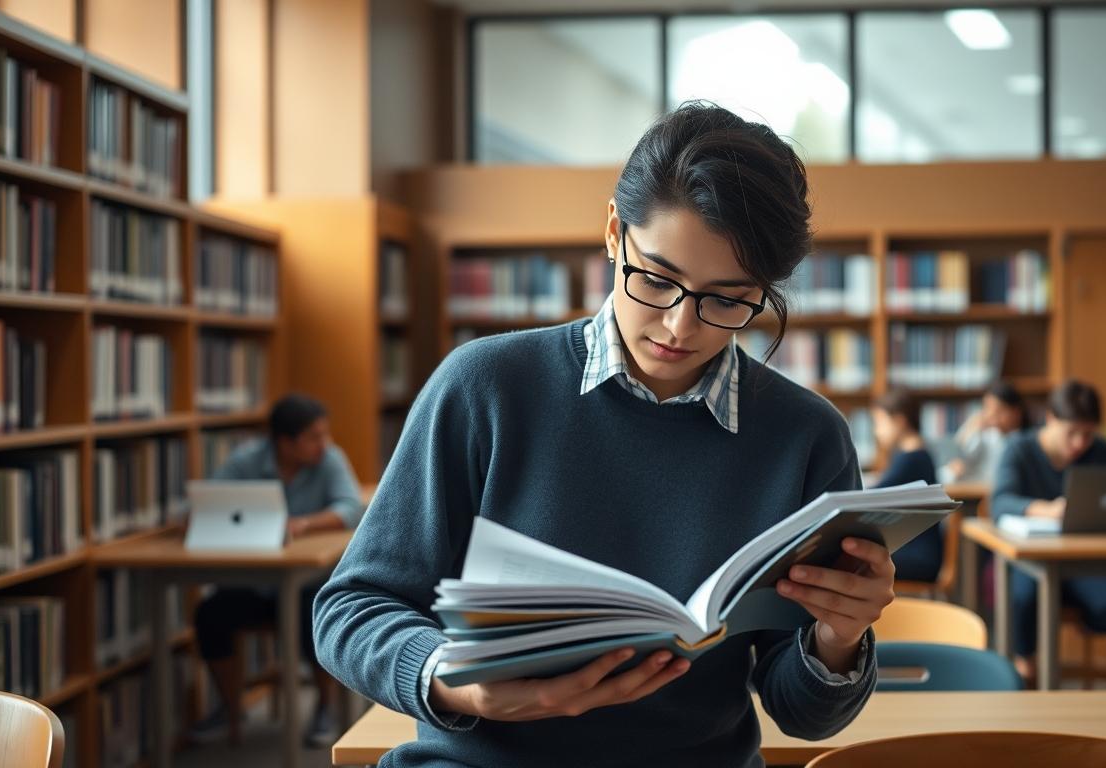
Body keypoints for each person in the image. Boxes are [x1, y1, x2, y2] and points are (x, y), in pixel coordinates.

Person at [313, 102, 895, 768]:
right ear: (615, 233)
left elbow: (800, 714)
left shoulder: (805, 436)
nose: (680, 326)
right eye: (657, 280)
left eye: (726, 300)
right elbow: (351, 608)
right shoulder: (486, 388)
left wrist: (838, 640)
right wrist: (456, 681)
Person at [190, 394, 364, 747]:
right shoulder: (245, 462)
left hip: (307, 581)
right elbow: (206, 505)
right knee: (210, 614)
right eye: (314, 436)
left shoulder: (329, 459)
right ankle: (231, 706)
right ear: (285, 442)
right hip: (257, 581)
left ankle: (325, 708)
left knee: (313, 614)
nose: (324, 443)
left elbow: (351, 508)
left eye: (324, 434)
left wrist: (302, 525)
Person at [990, 379, 1106, 681]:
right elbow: (1000, 503)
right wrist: (1049, 509)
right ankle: (1024, 664)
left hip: (1083, 562)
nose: (1080, 443)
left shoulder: (1100, 451)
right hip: (1031, 561)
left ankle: (1061, 655)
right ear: (1051, 419)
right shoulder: (1020, 449)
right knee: (1023, 597)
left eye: (1088, 434)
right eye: (1072, 433)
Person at [870, 388, 940, 583]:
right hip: (914, 547)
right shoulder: (917, 453)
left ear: (899, 421)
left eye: (879, 423)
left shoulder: (912, 458)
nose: (877, 431)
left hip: (919, 555)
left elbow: (870, 498)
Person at [938, 380, 1030, 484]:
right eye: (987, 408)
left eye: (998, 411)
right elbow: (955, 462)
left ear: (1016, 413)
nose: (990, 415)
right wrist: (970, 430)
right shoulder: (983, 434)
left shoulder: (1023, 442)